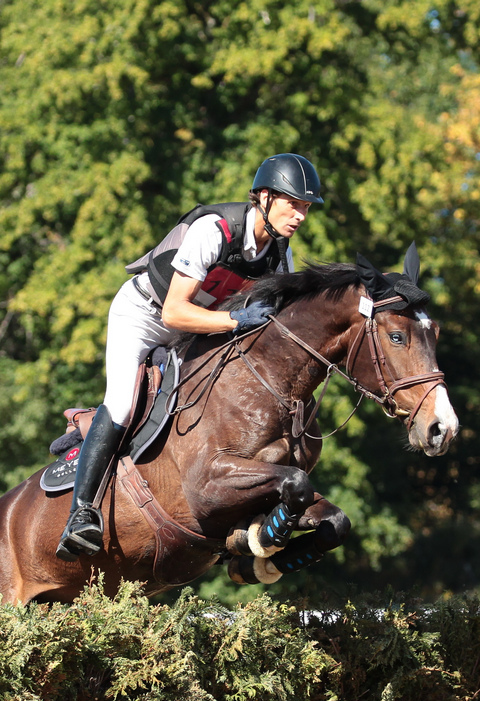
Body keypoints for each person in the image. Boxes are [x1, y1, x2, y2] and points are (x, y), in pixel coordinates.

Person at [56, 153, 324, 560]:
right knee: (123, 404)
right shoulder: (214, 230)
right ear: (265, 197)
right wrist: (235, 320)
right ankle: (81, 514)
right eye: (294, 204)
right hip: (146, 316)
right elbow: (173, 312)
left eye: (306, 207)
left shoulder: (279, 253)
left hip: (201, 327)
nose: (301, 216)